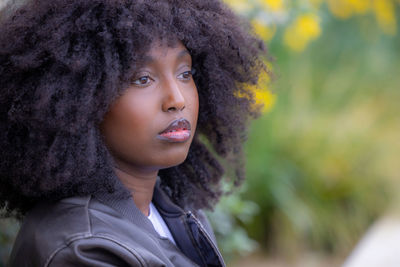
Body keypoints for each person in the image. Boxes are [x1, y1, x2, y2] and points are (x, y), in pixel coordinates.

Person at [0, 0, 266, 266]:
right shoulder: (82, 249)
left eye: (185, 73)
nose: (177, 99)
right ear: (77, 99)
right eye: (142, 79)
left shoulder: (176, 210)